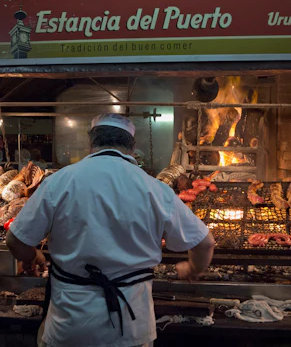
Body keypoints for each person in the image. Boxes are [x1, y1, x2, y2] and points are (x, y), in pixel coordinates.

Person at [6, 113, 215, 347]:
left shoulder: (59, 182)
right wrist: (192, 268)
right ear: (132, 147)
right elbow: (204, 243)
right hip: (130, 329)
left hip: (70, 326)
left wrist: (33, 255)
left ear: (91, 143)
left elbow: (15, 240)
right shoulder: (155, 189)